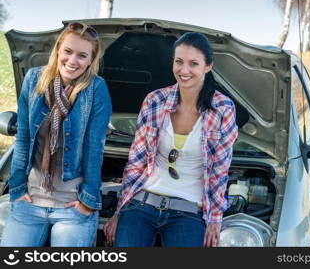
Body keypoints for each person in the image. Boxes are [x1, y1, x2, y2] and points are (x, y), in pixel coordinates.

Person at [103, 32, 238, 247]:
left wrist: (214, 219)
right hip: (141, 202)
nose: (184, 70)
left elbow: (219, 171)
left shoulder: (223, 108)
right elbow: (136, 162)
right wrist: (119, 210)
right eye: (179, 62)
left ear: (208, 66)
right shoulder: (155, 100)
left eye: (193, 63)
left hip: (189, 210)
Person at [0, 22, 112, 247]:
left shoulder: (95, 89)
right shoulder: (34, 80)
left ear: (91, 60)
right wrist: (18, 188)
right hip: (29, 201)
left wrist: (88, 201)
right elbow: (23, 137)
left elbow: (94, 147)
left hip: (72, 206)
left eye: (82, 55)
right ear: (58, 50)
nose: (72, 61)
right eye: (68, 52)